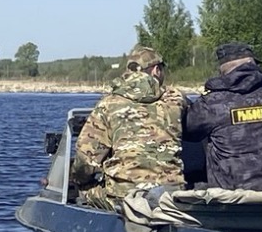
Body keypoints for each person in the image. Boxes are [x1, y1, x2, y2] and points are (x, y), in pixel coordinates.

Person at [70, 44, 188, 210]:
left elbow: (86, 161)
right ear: (156, 70)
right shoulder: (175, 101)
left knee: (83, 189)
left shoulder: (108, 104)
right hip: (171, 195)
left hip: (125, 197)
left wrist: (76, 180)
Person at [184, 41, 262, 191]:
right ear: (253, 64)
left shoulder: (212, 103)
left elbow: (188, 132)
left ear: (222, 70)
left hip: (232, 193)